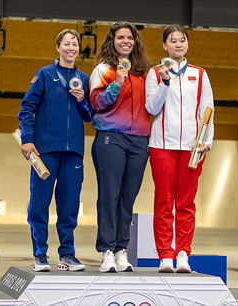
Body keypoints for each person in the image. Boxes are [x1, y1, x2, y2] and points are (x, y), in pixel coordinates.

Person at [17, 29, 93, 272]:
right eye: (67, 43)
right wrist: (27, 139)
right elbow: (27, 108)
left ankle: (67, 255)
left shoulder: (84, 78)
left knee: (70, 204)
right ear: (58, 47)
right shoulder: (44, 75)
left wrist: (82, 100)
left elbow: (90, 115)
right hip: (45, 149)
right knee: (40, 203)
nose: (71, 48)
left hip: (74, 152)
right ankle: (40, 254)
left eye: (75, 44)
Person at [145, 24, 214, 273]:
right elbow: (151, 108)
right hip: (161, 145)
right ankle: (165, 255)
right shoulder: (154, 72)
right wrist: (165, 82)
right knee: (163, 201)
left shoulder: (200, 73)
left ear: (187, 44)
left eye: (182, 40)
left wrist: (207, 139)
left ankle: (183, 253)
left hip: (192, 148)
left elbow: (207, 110)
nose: (178, 44)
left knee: (186, 203)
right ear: (164, 45)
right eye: (172, 41)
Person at [89, 21, 151, 272]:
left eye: (130, 37)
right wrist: (117, 83)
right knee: (109, 195)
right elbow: (96, 103)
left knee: (127, 199)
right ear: (112, 41)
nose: (126, 41)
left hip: (139, 141)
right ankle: (106, 250)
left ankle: (121, 249)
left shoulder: (144, 73)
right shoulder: (103, 69)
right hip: (110, 137)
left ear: (135, 42)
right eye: (120, 37)